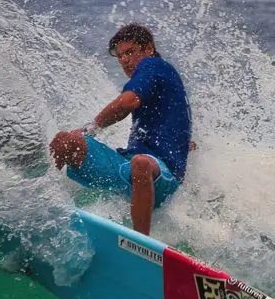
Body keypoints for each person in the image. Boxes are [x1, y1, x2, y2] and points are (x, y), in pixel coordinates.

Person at [49, 23, 192, 236]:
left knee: (141, 163)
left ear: (149, 49)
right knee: (64, 140)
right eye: (119, 56)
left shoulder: (154, 65)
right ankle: (41, 204)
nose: (124, 60)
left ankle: (141, 244)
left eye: (129, 52)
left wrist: (92, 127)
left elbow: (128, 102)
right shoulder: (161, 86)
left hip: (160, 179)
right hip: (127, 172)